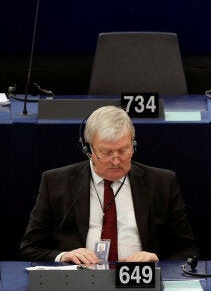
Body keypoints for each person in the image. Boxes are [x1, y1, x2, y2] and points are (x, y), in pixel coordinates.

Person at [20, 106, 198, 264]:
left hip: (140, 281)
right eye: (106, 153)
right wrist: (63, 256)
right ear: (88, 151)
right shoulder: (56, 183)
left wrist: (155, 260)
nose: (115, 161)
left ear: (133, 145)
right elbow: (29, 248)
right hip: (80, 282)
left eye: (123, 151)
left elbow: (188, 250)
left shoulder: (162, 183)